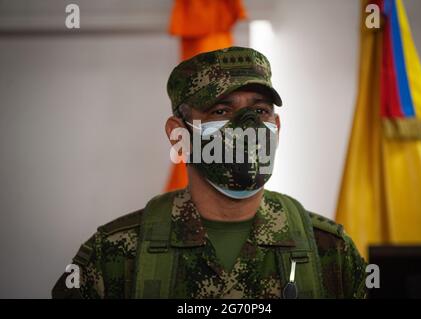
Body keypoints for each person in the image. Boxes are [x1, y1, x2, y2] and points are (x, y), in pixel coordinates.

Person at [52, 46, 367, 299]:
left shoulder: (331, 252)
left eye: (260, 111)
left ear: (277, 128)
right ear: (179, 135)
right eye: (221, 111)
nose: (249, 125)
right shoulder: (114, 257)